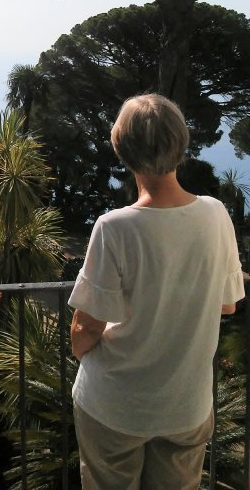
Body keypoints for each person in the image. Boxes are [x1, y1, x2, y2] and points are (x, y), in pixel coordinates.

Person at [68, 94, 245, 490]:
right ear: (181, 145)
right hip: (186, 405)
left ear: (123, 151)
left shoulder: (114, 227)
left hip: (114, 406)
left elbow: (87, 327)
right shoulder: (216, 214)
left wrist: (80, 353)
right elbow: (228, 303)